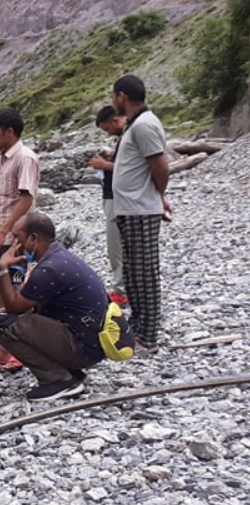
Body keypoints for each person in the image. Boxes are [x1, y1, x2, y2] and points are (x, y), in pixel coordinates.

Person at [0, 213, 109, 401]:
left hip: (82, 347)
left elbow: (12, 306)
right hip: (92, 341)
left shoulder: (49, 269)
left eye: (17, 238)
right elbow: (25, 296)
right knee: (23, 314)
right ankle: (71, 373)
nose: (15, 244)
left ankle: (58, 380)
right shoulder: (59, 256)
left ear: (33, 238)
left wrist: (2, 268)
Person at [0, 107, 40, 372]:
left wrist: (3, 231)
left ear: (9, 132)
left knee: (14, 291)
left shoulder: (25, 158)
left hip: (13, 239)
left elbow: (26, 199)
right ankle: (4, 347)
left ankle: (19, 348)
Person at [110, 74, 172, 349]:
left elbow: (159, 164)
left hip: (140, 209)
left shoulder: (145, 125)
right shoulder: (135, 124)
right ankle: (138, 324)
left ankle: (148, 333)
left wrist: (159, 196)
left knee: (144, 270)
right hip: (130, 207)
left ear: (122, 96)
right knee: (134, 270)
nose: (113, 102)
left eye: (114, 96)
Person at [87, 106, 129, 306]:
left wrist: (104, 165)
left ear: (114, 121)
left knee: (116, 247)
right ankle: (124, 287)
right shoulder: (126, 136)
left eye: (106, 128)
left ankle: (122, 290)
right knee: (118, 245)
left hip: (117, 198)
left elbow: (130, 168)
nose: (108, 133)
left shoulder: (131, 134)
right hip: (113, 195)